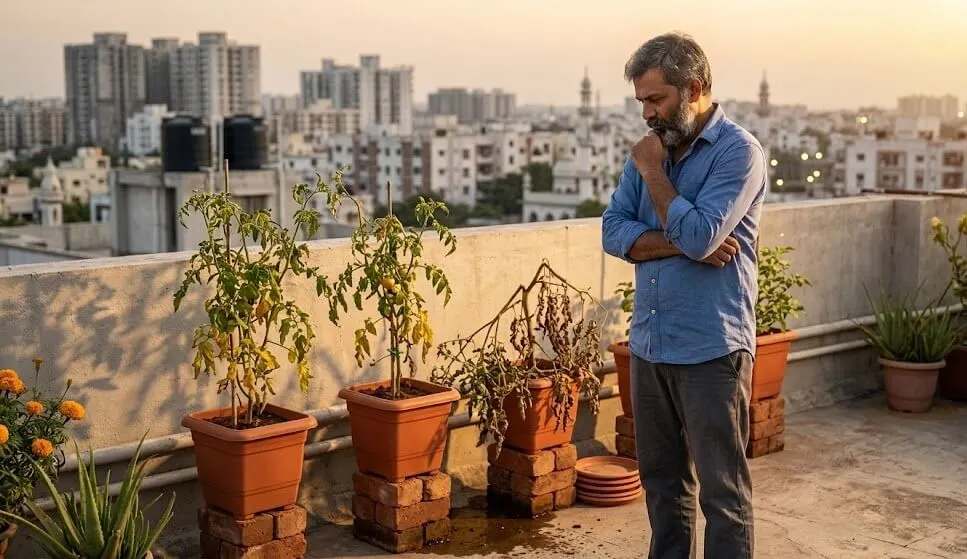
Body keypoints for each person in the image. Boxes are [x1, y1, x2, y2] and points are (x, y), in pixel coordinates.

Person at [601, 32, 766, 559]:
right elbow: (612, 232)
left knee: (723, 494)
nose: (648, 114)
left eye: (657, 99)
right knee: (664, 486)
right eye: (642, 102)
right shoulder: (654, 147)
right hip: (650, 344)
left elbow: (701, 236)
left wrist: (654, 175)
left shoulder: (737, 153)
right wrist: (686, 246)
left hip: (711, 348)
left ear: (694, 87)